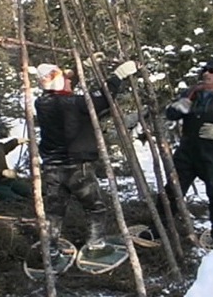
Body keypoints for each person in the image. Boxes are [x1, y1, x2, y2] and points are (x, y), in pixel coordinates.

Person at [34, 59, 139, 260]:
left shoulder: (42, 102)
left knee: (55, 212)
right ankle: (95, 245)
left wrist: (82, 67)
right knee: (95, 207)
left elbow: (66, 87)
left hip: (52, 168)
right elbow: (101, 99)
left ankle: (50, 249)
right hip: (76, 167)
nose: (69, 83)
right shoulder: (72, 103)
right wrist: (117, 77)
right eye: (65, 80)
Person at [142, 58, 213, 249]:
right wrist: (177, 107)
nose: (206, 73)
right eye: (204, 70)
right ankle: (157, 230)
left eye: (212, 70)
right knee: (172, 190)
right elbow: (171, 115)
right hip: (187, 152)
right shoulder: (191, 94)